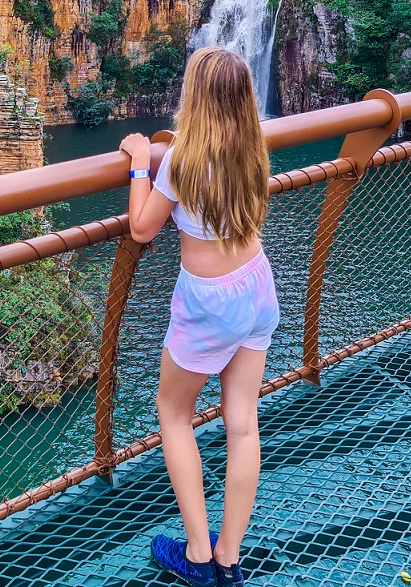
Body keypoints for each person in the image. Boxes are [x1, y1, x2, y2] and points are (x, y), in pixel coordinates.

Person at [119, 47, 279, 587]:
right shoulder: (253, 148)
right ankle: (229, 556)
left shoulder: (183, 161)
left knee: (173, 412)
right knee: (242, 424)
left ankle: (197, 553)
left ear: (195, 98)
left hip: (208, 303)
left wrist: (142, 161)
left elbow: (142, 228)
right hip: (257, 286)